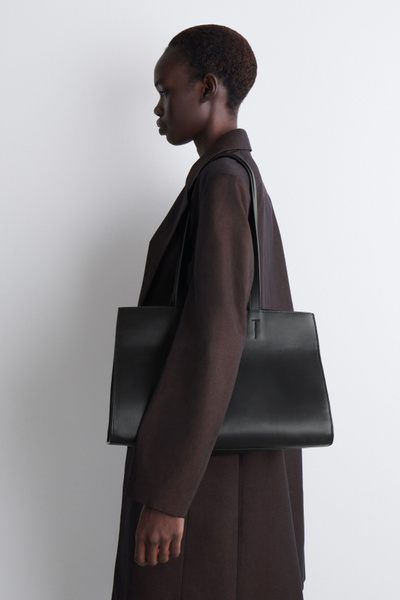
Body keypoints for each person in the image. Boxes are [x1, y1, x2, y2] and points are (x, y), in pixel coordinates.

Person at [111, 25, 305, 600]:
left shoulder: (222, 183)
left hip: (205, 484)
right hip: (225, 473)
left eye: (165, 90)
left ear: (207, 87)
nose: (157, 107)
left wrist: (168, 495)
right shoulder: (234, 177)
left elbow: (217, 336)